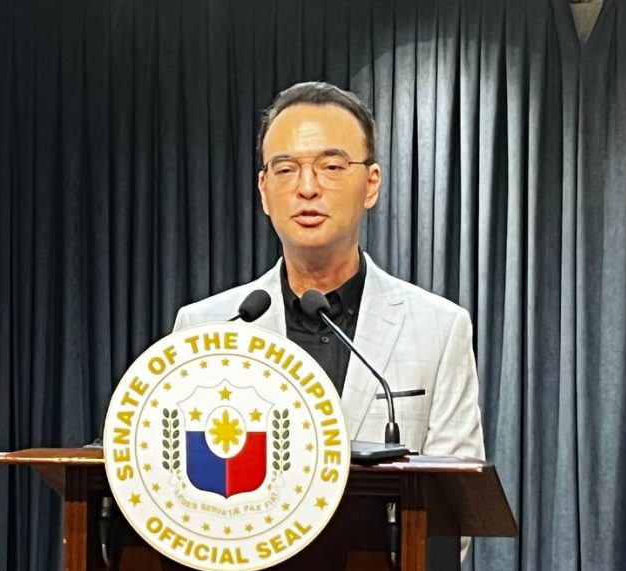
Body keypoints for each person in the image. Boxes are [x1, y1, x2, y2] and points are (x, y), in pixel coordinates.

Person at [173, 81, 485, 462]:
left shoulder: (440, 329)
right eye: (285, 169)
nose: (307, 188)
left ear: (371, 184)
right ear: (264, 190)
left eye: (332, 167)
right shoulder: (206, 329)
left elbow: (456, 487)